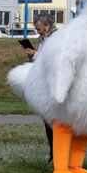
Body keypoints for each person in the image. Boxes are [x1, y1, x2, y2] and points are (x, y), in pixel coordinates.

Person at [24, 13, 56, 161]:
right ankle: (53, 152)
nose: (37, 31)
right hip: (44, 84)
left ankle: (57, 154)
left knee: (55, 123)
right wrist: (32, 57)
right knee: (47, 122)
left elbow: (52, 60)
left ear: (47, 26)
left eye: (38, 28)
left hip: (54, 86)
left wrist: (36, 55)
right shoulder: (43, 39)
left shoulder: (57, 39)